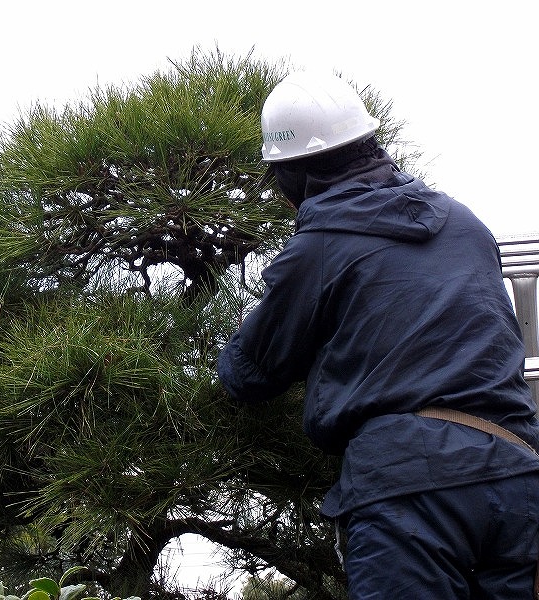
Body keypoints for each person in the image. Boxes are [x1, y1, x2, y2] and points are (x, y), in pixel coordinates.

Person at [217, 70, 539, 599]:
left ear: (291, 178)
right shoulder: (464, 223)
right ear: (370, 143)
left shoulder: (318, 246)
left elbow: (250, 374)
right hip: (516, 471)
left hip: (408, 487)